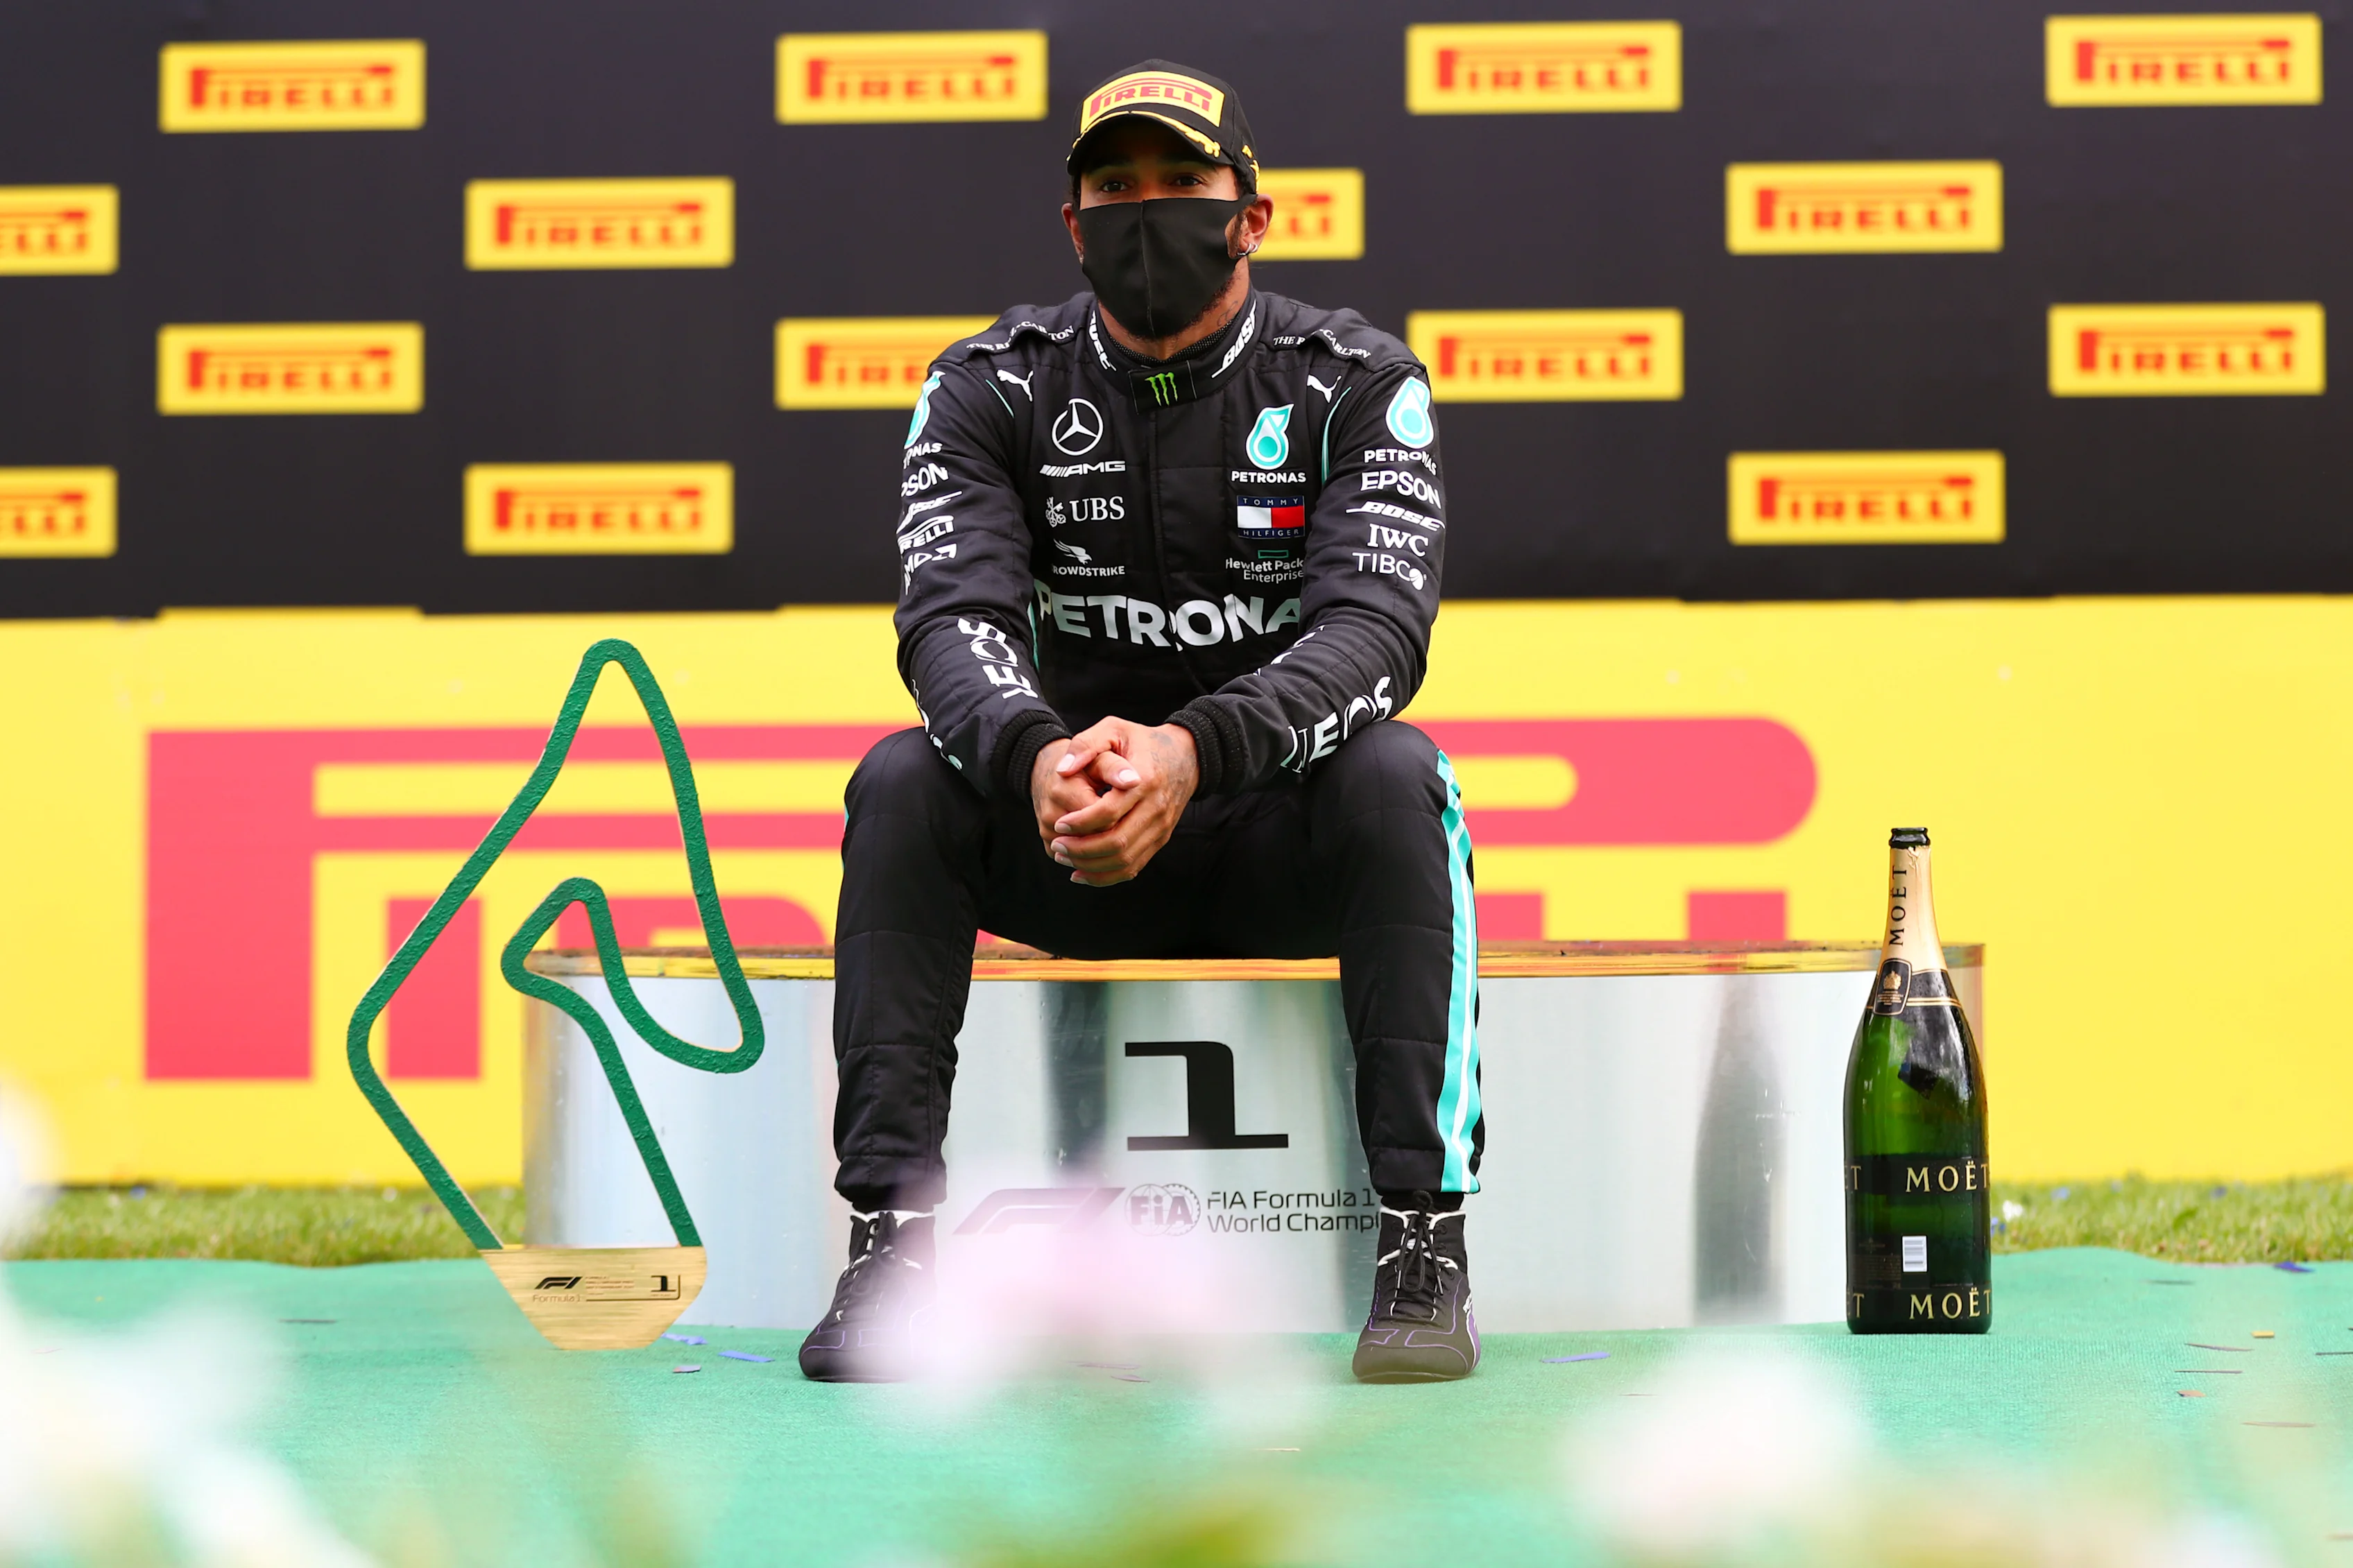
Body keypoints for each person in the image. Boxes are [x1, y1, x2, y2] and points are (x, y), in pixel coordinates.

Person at [797, 60, 1482, 1385]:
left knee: (1404, 775)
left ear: (1251, 214)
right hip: (1076, 834)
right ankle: (893, 1245)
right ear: (1072, 223)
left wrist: (1190, 751)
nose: (1148, 213)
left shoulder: (1354, 379)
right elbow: (949, 622)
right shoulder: (987, 386)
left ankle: (1422, 1241)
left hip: (1277, 834)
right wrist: (1037, 757)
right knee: (901, 782)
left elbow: (1377, 636)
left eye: (1183, 186)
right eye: (1115, 189)